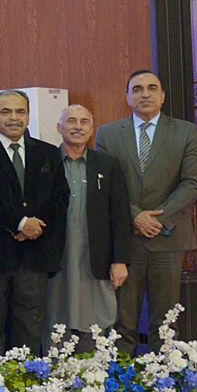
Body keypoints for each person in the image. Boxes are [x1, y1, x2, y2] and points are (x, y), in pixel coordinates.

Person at [94, 70, 197, 354]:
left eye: (152, 88)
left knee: (165, 322)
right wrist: (135, 215)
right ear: (127, 97)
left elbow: (193, 182)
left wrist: (160, 218)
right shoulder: (108, 134)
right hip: (125, 241)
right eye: (137, 89)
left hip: (168, 237)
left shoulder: (185, 131)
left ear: (162, 96)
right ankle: (120, 378)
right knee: (123, 323)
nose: (145, 94)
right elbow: (103, 184)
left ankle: (165, 377)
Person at [0, 90, 68, 359]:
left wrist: (35, 227)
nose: (14, 118)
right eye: (6, 112)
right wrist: (20, 222)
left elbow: (60, 199)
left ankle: (27, 381)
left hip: (34, 256)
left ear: (28, 116)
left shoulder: (48, 153)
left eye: (20, 112)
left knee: (30, 329)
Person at [49, 105, 132, 352]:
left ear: (92, 128)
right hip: (55, 260)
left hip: (95, 259)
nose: (78, 127)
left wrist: (120, 260)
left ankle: (94, 371)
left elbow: (120, 215)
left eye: (84, 122)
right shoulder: (45, 162)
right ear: (59, 127)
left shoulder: (107, 165)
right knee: (55, 320)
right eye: (71, 121)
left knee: (96, 319)